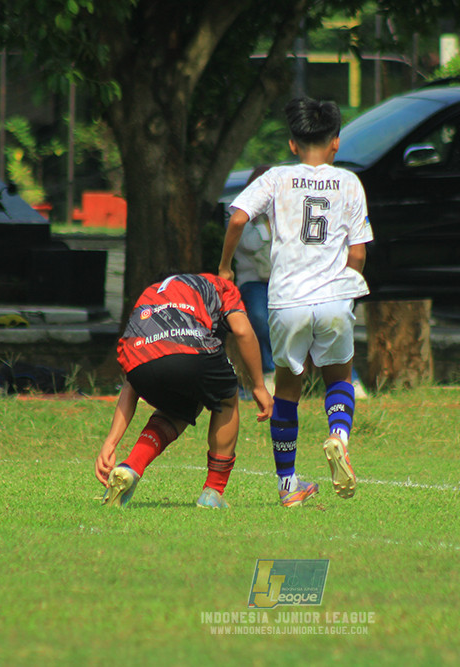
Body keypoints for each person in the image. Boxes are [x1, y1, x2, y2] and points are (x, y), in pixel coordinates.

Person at [219, 96, 374, 508]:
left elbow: (238, 218)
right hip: (333, 297)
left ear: (292, 144)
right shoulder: (350, 183)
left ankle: (288, 486)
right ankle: (338, 436)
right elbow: (358, 252)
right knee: (339, 378)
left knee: (287, 389)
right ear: (336, 142)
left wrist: (225, 266)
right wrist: (347, 291)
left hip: (287, 300)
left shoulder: (276, 178)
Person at [95, 273, 273, 509]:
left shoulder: (153, 291)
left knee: (179, 407)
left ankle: (130, 467)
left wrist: (110, 442)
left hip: (138, 361)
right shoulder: (222, 287)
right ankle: (213, 491)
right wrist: (259, 385)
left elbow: (131, 384)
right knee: (226, 396)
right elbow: (242, 331)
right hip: (189, 348)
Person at [231, 165, 276, 392]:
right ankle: (269, 372)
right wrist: (264, 224)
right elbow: (249, 244)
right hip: (253, 281)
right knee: (259, 317)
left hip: (282, 280)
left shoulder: (286, 210)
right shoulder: (241, 211)